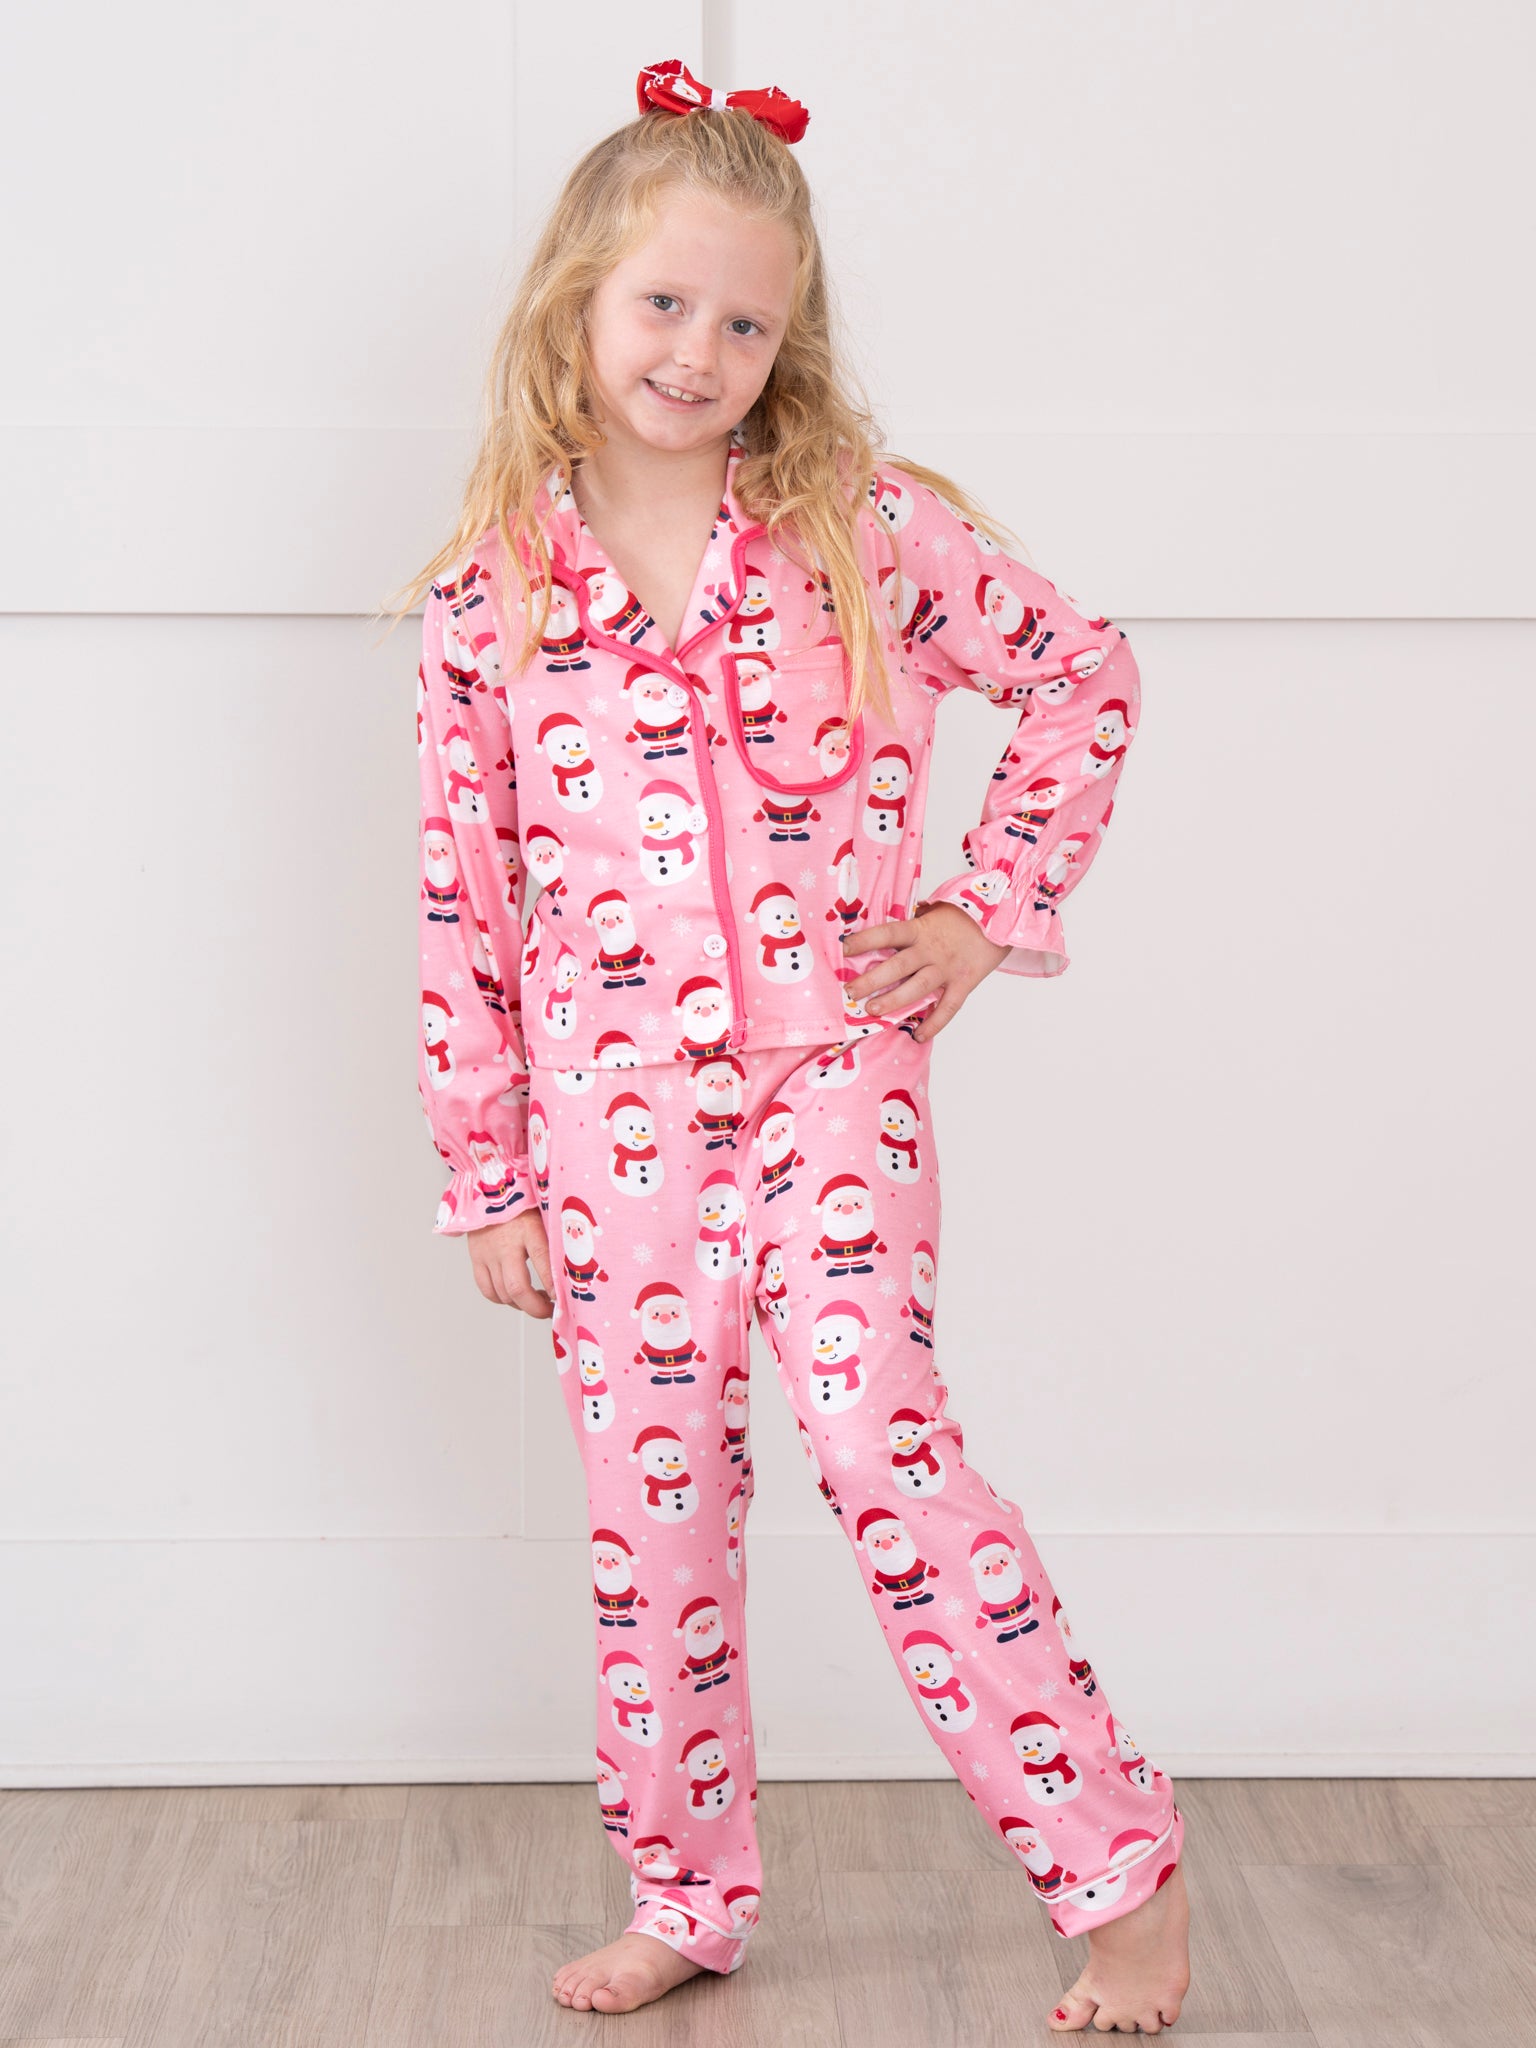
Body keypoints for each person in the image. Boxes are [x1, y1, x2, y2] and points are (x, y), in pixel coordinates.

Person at [394, 55, 1191, 2034]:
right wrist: (486, 1172)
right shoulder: (493, 600)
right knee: (653, 1518)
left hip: (835, 1081)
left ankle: (1123, 1873)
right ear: (577, 299)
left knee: (877, 1449)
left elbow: (1081, 673)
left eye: (746, 323)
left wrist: (985, 910)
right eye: (665, 303)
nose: (700, 351)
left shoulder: (859, 527)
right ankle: (686, 1888)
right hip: (610, 1129)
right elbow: (463, 898)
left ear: (789, 341)